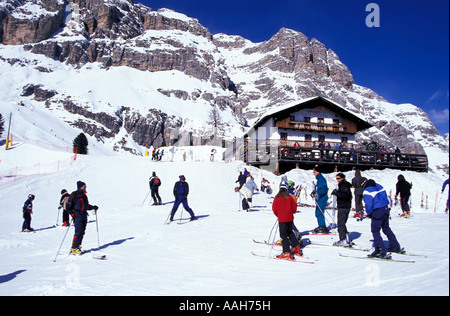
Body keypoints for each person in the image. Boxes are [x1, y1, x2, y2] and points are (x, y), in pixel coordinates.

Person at [362, 179, 402, 258]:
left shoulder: (367, 190)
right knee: (386, 228)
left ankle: (381, 250)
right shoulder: (379, 186)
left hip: (377, 211)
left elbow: (368, 204)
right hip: (385, 209)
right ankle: (395, 246)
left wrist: (368, 212)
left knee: (375, 231)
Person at [67, 181, 98, 255]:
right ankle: (74, 248)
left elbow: (86, 206)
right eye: (84, 186)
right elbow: (68, 206)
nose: (85, 187)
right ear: (81, 186)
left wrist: (93, 207)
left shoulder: (84, 196)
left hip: (84, 215)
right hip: (78, 215)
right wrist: (72, 214)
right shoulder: (74, 194)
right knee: (78, 231)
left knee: (82, 231)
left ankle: (78, 246)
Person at [272, 183, 302, 259]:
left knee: (283, 235)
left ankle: (286, 252)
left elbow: (274, 209)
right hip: (290, 218)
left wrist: (279, 215)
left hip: (282, 219)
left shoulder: (277, 198)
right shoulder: (290, 197)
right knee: (290, 232)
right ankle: (297, 248)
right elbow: (294, 208)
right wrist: (290, 212)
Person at [331, 173, 353, 246]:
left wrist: (337, 193)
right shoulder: (343, 185)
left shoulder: (343, 185)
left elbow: (346, 196)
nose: (337, 180)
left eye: (339, 178)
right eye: (337, 178)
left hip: (344, 207)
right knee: (342, 223)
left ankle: (343, 239)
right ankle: (346, 238)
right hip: (345, 206)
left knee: (340, 223)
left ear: (343, 178)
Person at [311, 165, 329, 233]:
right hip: (320, 197)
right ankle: (321, 225)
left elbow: (324, 189)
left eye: (314, 171)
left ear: (318, 171)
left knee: (319, 212)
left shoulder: (321, 179)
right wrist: (315, 192)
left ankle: (322, 226)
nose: (313, 173)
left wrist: (317, 193)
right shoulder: (319, 179)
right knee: (318, 211)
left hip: (322, 197)